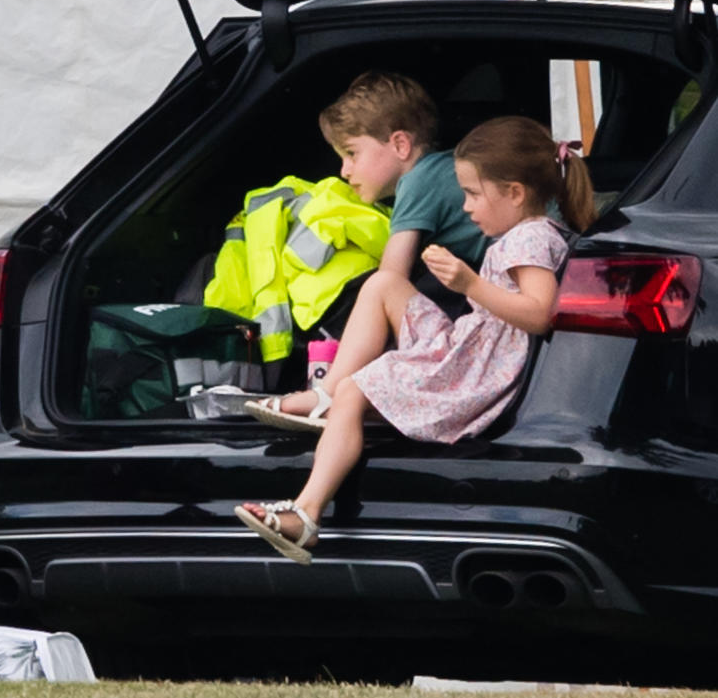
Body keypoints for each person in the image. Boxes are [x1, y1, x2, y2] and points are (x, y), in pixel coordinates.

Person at [238, 116, 597, 564]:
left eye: (472, 194)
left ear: (516, 193)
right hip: (469, 348)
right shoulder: (527, 234)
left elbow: (539, 314)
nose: (465, 207)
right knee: (383, 284)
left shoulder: (531, 238)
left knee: (358, 390)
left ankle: (306, 513)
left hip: (473, 374)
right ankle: (324, 397)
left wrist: (470, 285)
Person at [318, 70, 488, 280]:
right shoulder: (443, 167)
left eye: (352, 154)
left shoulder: (418, 182)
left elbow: (389, 280)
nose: (344, 172)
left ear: (400, 145)